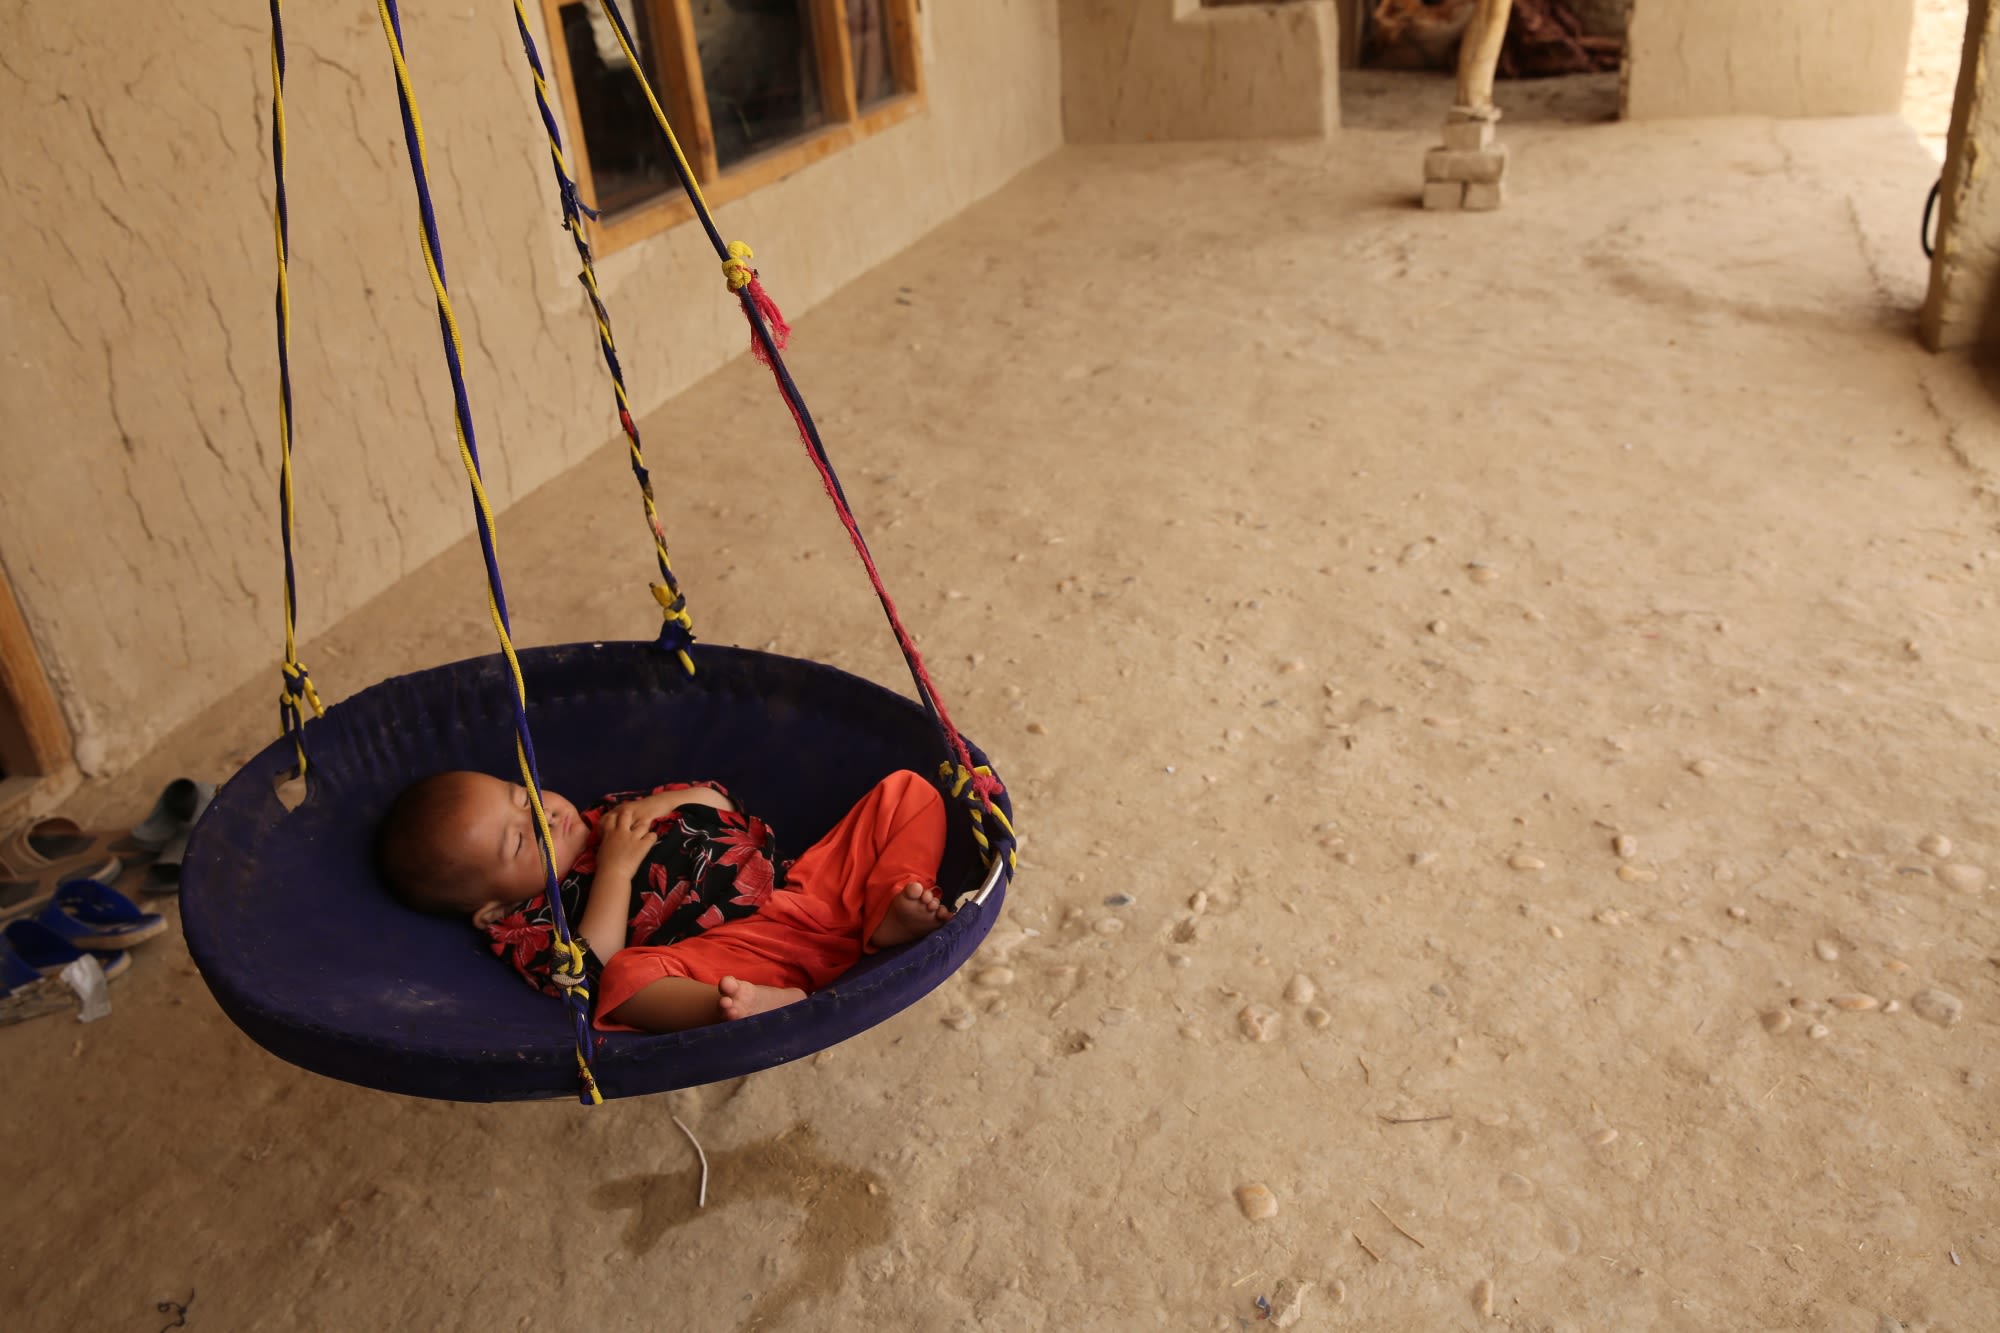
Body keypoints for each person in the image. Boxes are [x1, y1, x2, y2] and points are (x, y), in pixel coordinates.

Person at [376, 769, 951, 1032]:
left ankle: (887, 914)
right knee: (627, 980)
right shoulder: (529, 922)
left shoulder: (610, 813)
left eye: (522, 797)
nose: (546, 814)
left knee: (908, 793)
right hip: (733, 958)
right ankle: (744, 1008)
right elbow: (591, 970)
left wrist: (663, 805)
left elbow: (715, 801)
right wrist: (615, 871)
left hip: (800, 892)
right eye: (523, 840)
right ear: (493, 909)